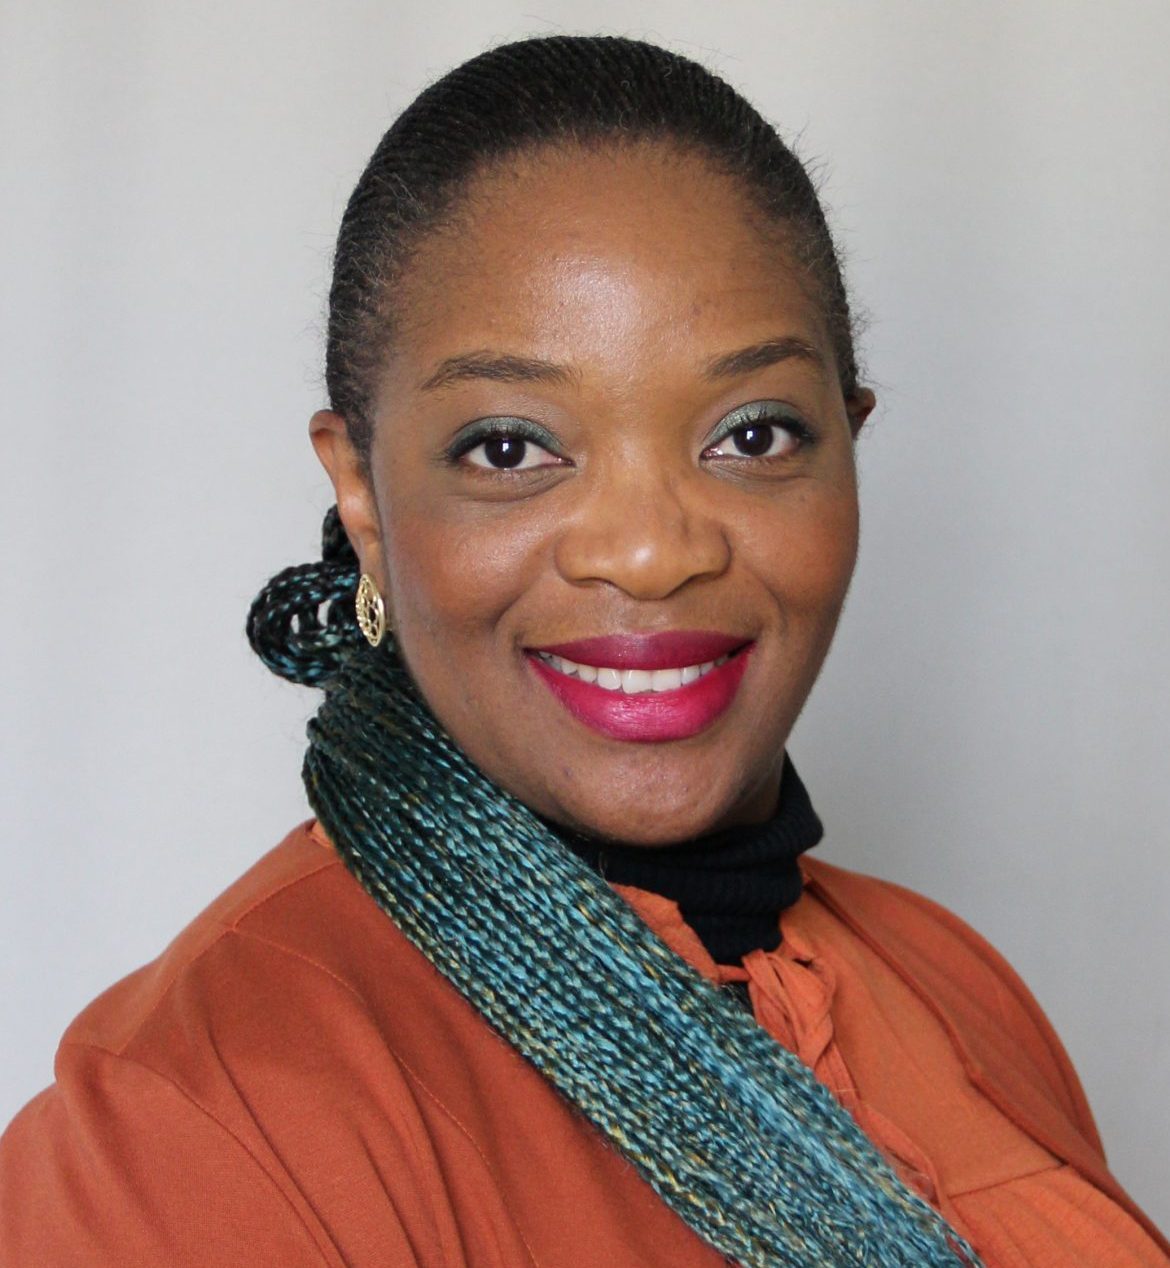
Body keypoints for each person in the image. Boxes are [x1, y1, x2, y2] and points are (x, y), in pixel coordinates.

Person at [1, 33, 1166, 1268]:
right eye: (510, 448)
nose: (653, 552)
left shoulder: (952, 981)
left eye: (754, 433)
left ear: (850, 443)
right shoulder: (195, 1127)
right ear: (361, 497)